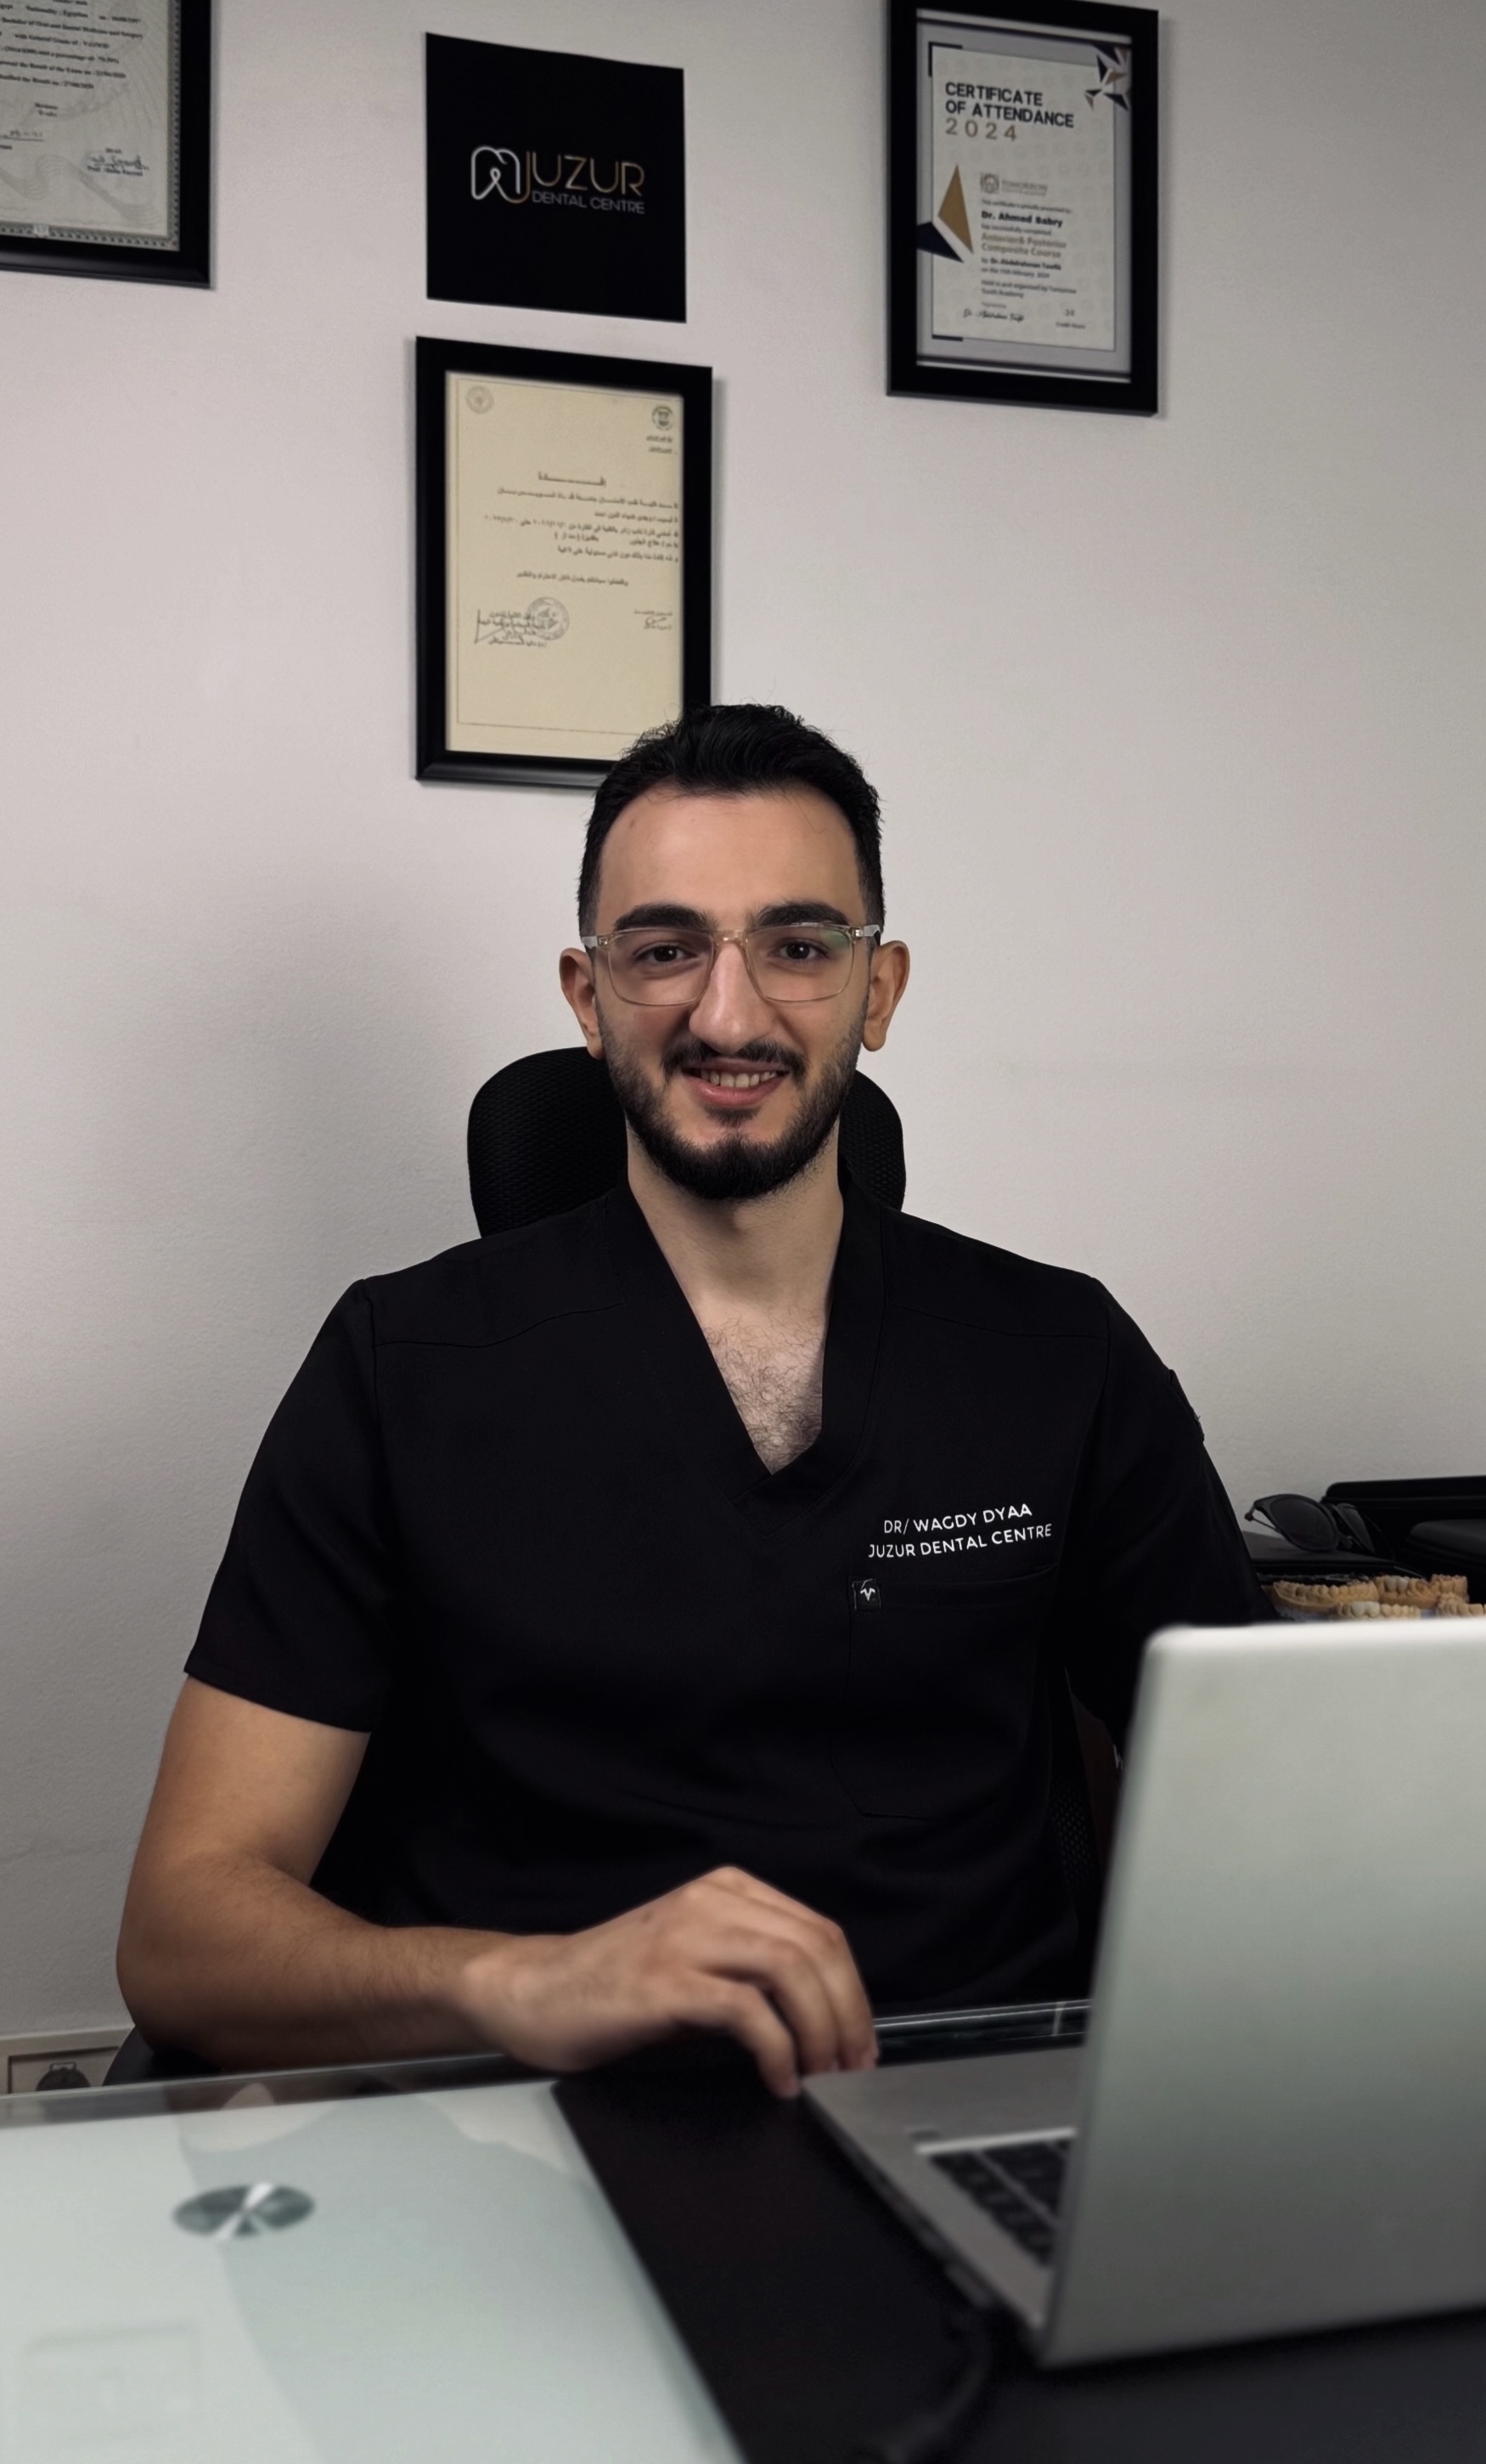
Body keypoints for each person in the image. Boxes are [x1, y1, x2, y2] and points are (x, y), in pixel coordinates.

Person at [117, 705, 1264, 2095]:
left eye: (797, 946)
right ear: (586, 994)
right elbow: (184, 1933)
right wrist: (519, 1982)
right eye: (664, 950)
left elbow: (1264, 1817)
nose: (728, 1014)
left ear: (879, 988)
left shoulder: (1061, 1354)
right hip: (531, 2128)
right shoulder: (398, 1363)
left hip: (963, 2116)